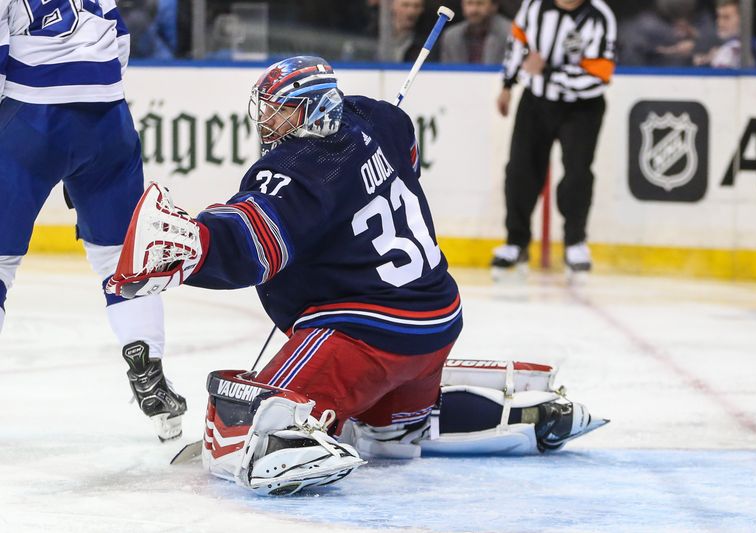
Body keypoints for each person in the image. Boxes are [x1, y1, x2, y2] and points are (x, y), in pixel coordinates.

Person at [106, 56, 606, 495]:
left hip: (363, 335)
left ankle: (306, 437)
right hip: (436, 327)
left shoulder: (298, 167)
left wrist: (192, 247)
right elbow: (403, 147)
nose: (270, 122)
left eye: (280, 109)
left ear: (307, 110)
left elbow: (251, 242)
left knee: (246, 427)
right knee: (385, 441)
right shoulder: (379, 117)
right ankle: (468, 418)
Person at [0, 0, 185, 440]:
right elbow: (120, 40)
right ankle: (149, 371)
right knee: (123, 258)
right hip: (108, 119)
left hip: (31, 116)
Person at [491, 0, 617, 277]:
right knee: (520, 171)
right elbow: (517, 43)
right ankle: (516, 242)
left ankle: (575, 242)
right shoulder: (534, 6)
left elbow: (599, 75)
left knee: (577, 174)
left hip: (582, 108)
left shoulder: (599, 16)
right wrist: (508, 85)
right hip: (536, 101)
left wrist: (548, 71)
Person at [693, 0, 756, 68]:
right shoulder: (713, 43)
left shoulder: (750, 46)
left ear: (742, 19)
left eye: (726, 17)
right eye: (718, 17)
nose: (720, 23)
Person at [441, 0, 512, 64]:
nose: (474, 10)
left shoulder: (510, 33)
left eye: (480, 3)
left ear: (494, 6)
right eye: (469, 3)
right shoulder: (451, 36)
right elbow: (446, 74)